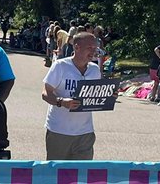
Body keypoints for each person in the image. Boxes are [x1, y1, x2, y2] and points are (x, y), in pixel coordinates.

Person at [42, 31, 114, 160]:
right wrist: (61, 101)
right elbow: (45, 93)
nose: (93, 52)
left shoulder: (94, 69)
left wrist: (110, 95)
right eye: (89, 48)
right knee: (56, 173)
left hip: (85, 132)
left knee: (82, 174)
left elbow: (97, 94)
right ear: (76, 47)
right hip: (60, 130)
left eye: (95, 48)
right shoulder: (61, 66)